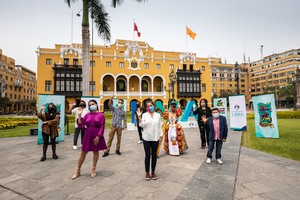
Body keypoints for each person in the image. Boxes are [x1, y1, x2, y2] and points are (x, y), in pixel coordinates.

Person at [72, 100, 106, 179]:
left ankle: (93, 168)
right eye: (90, 105)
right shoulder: (87, 115)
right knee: (83, 152)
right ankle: (78, 170)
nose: (91, 106)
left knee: (95, 151)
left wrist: (98, 136)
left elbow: (102, 126)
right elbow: (81, 124)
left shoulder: (101, 115)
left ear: (96, 104)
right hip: (88, 135)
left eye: (93, 104)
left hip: (96, 135)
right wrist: (79, 116)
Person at [137, 99, 162, 180]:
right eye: (148, 106)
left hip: (155, 138)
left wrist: (160, 135)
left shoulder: (158, 115)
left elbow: (159, 126)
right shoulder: (144, 115)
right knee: (147, 156)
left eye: (151, 105)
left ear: (153, 106)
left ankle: (153, 172)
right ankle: (147, 172)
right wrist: (139, 117)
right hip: (146, 138)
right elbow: (142, 125)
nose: (149, 107)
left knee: (154, 155)